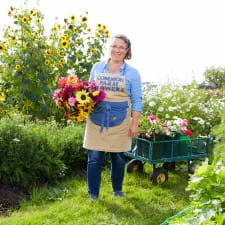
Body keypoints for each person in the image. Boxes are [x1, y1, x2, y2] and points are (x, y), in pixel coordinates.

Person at [83, 34, 142, 200]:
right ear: (109, 48)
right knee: (94, 157)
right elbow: (88, 91)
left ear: (127, 51)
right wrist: (77, 107)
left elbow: (137, 100)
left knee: (118, 157)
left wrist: (134, 124)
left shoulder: (132, 73)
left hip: (121, 118)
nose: (117, 50)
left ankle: (117, 190)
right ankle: (93, 193)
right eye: (114, 46)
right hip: (96, 117)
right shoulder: (97, 67)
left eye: (122, 47)